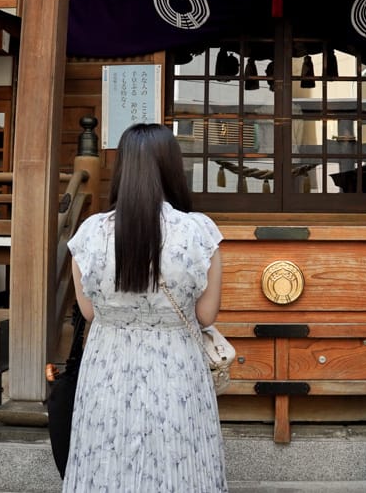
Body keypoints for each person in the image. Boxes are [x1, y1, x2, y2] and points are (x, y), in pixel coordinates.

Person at [63, 123, 227, 492]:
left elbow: (89, 314)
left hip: (106, 368)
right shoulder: (198, 232)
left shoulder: (89, 233)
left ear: (122, 168)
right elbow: (205, 316)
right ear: (172, 167)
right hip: (176, 369)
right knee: (180, 465)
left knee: (106, 461)